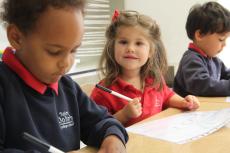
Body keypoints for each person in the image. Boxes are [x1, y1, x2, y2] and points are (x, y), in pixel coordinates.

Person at [0, 0, 128, 153]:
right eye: (54, 52)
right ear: (17, 38)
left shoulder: (67, 86)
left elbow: (102, 120)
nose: (66, 63)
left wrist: (113, 137)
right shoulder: (4, 88)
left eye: (73, 50)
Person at [90, 10, 200, 127]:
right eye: (123, 42)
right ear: (112, 47)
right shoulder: (103, 91)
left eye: (138, 43)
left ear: (150, 51)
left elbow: (167, 96)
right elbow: (97, 127)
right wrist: (124, 115)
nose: (130, 48)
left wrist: (184, 102)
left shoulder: (154, 80)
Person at [173, 1, 230, 97]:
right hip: (186, 111)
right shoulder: (191, 59)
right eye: (221, 39)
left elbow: (227, 74)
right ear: (200, 35)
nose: (224, 45)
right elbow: (203, 85)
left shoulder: (215, 60)